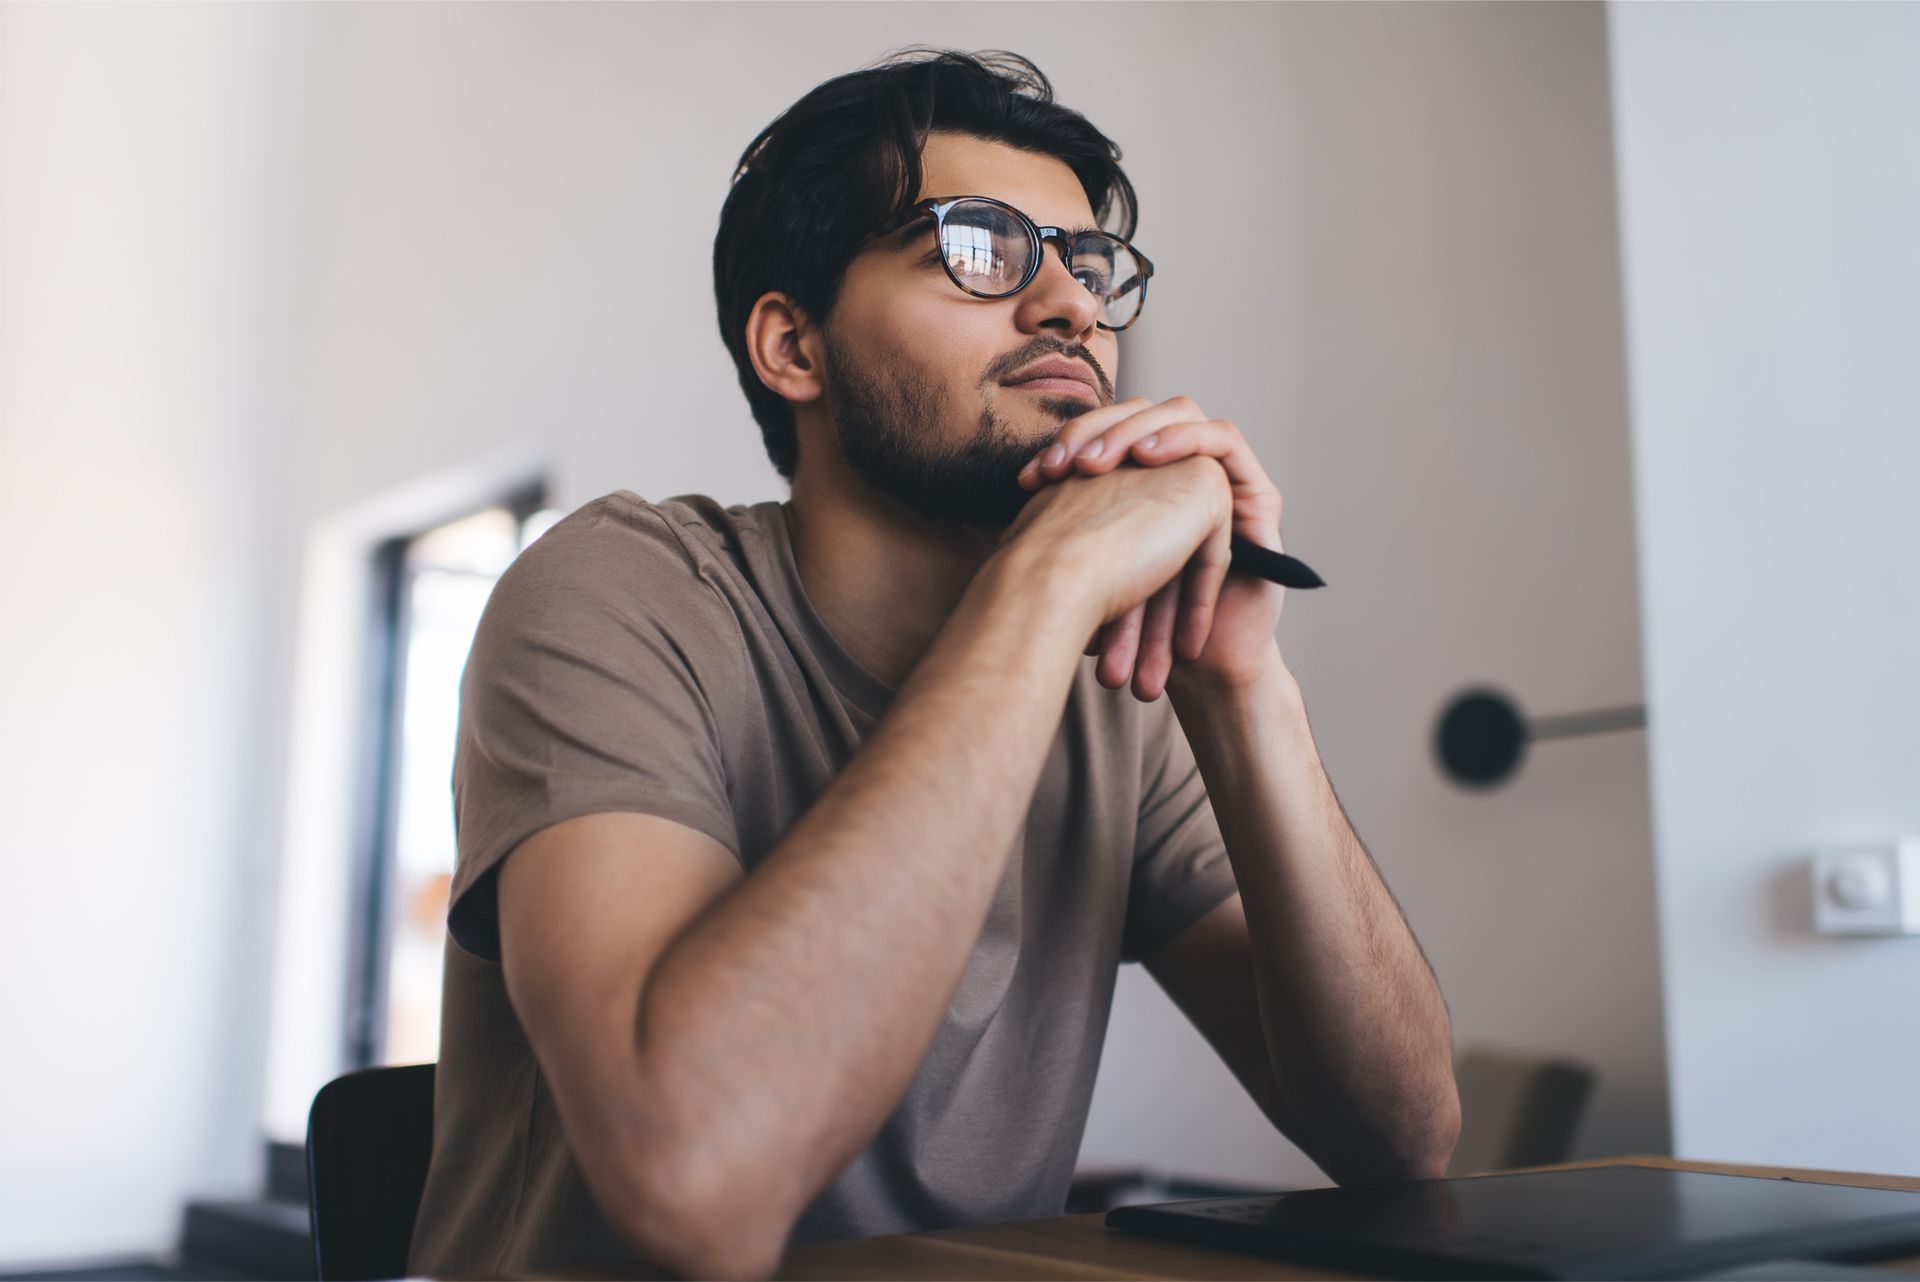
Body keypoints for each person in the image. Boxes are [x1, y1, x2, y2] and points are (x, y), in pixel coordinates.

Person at [406, 47, 1459, 1282]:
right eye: (975, 248)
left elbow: (1403, 1139)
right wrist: (1049, 576)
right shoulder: (627, 590)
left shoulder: (1117, 690)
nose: (1070, 307)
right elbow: (695, 1181)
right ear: (792, 347)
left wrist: (1240, 686)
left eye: (1086, 267)